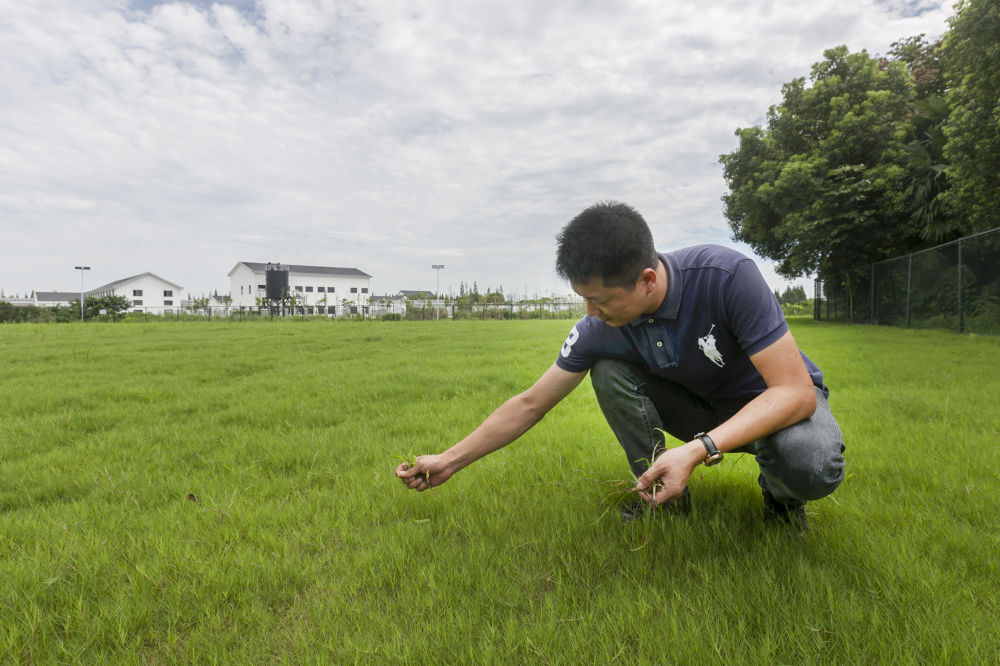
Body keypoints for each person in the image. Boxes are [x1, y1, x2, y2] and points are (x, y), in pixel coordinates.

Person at [396, 201, 845, 529]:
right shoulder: (599, 326)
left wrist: (698, 448)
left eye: (600, 299)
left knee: (810, 462)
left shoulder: (725, 276)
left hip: (769, 407)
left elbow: (795, 392)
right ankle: (663, 497)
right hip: (698, 407)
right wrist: (450, 461)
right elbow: (531, 403)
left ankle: (781, 500)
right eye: (583, 298)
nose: (591, 312)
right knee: (608, 369)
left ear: (647, 280)